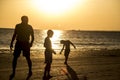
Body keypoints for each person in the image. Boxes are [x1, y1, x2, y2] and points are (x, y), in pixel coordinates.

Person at [9, 16, 34, 80]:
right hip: (19, 43)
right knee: (15, 58)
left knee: (28, 58)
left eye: (27, 19)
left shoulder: (29, 27)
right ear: (22, 20)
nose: (27, 21)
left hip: (26, 43)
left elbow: (32, 36)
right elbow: (14, 35)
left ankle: (30, 71)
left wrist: (31, 43)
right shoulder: (18, 26)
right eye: (25, 20)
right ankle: (13, 72)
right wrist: (11, 43)